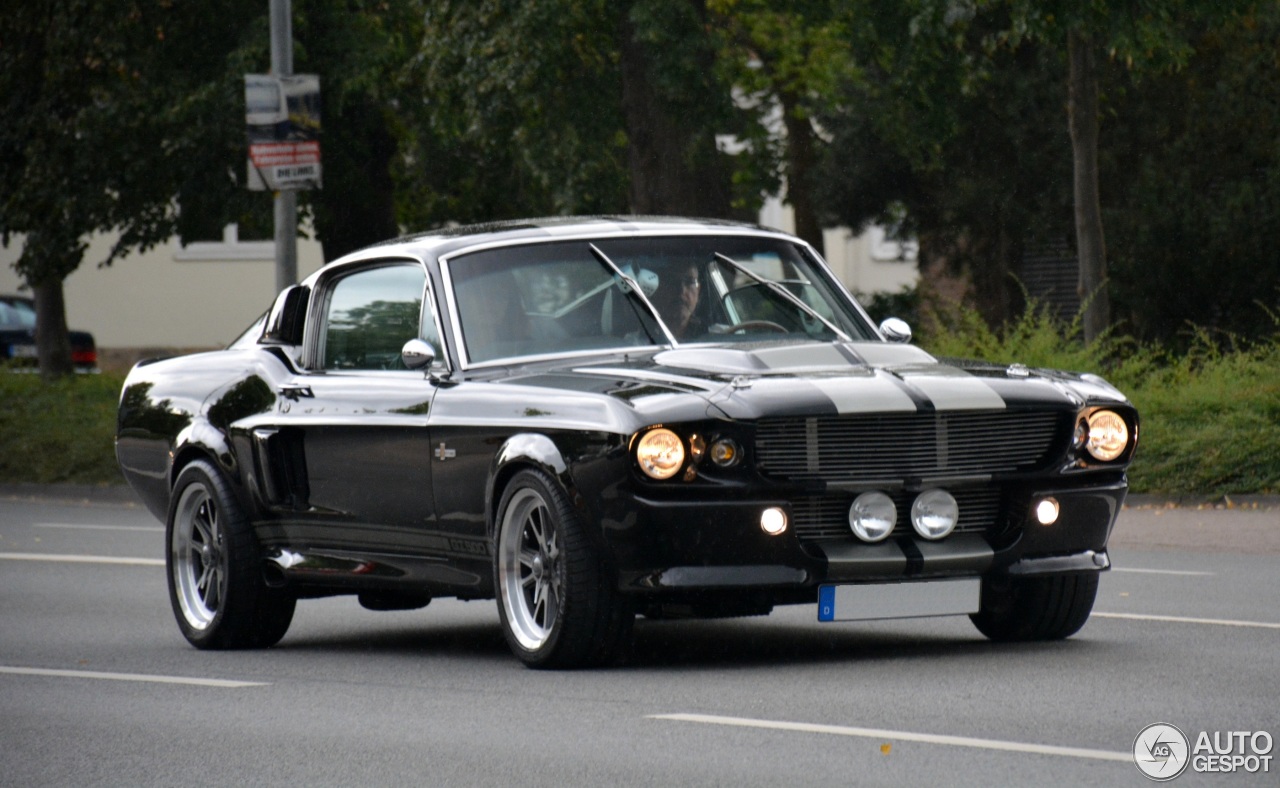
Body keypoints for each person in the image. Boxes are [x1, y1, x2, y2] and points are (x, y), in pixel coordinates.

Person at [651, 262, 704, 339]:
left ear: (698, 290)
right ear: (658, 290)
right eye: (672, 281)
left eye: (689, 282)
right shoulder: (637, 342)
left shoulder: (714, 338)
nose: (681, 290)